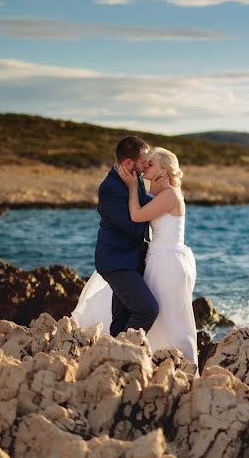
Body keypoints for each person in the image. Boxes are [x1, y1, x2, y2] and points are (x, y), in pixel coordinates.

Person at [72, 146, 199, 370]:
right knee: (156, 312)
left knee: (172, 316)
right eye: (145, 162)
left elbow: (137, 215)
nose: (145, 167)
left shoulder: (169, 195)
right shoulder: (159, 194)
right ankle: (145, 357)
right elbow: (141, 210)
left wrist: (132, 187)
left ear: (164, 170)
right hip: (156, 259)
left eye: (151, 163)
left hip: (168, 261)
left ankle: (183, 364)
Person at [74, 135, 159, 338]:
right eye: (142, 160)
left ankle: (113, 358)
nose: (146, 164)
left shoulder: (134, 178)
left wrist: (158, 196)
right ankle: (125, 350)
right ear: (128, 162)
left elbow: (139, 208)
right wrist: (155, 206)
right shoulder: (109, 188)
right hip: (116, 261)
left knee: (121, 317)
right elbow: (134, 227)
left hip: (131, 259)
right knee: (147, 309)